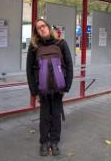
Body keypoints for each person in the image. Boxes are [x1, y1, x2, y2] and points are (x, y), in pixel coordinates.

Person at [26, 19, 73, 156]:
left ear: (48, 27)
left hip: (58, 88)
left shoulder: (61, 44)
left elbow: (69, 65)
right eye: (38, 28)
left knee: (56, 115)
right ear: (36, 32)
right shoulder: (34, 47)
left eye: (43, 26)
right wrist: (34, 91)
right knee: (45, 116)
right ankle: (44, 143)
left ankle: (54, 142)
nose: (42, 29)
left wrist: (66, 86)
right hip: (43, 89)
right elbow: (29, 69)